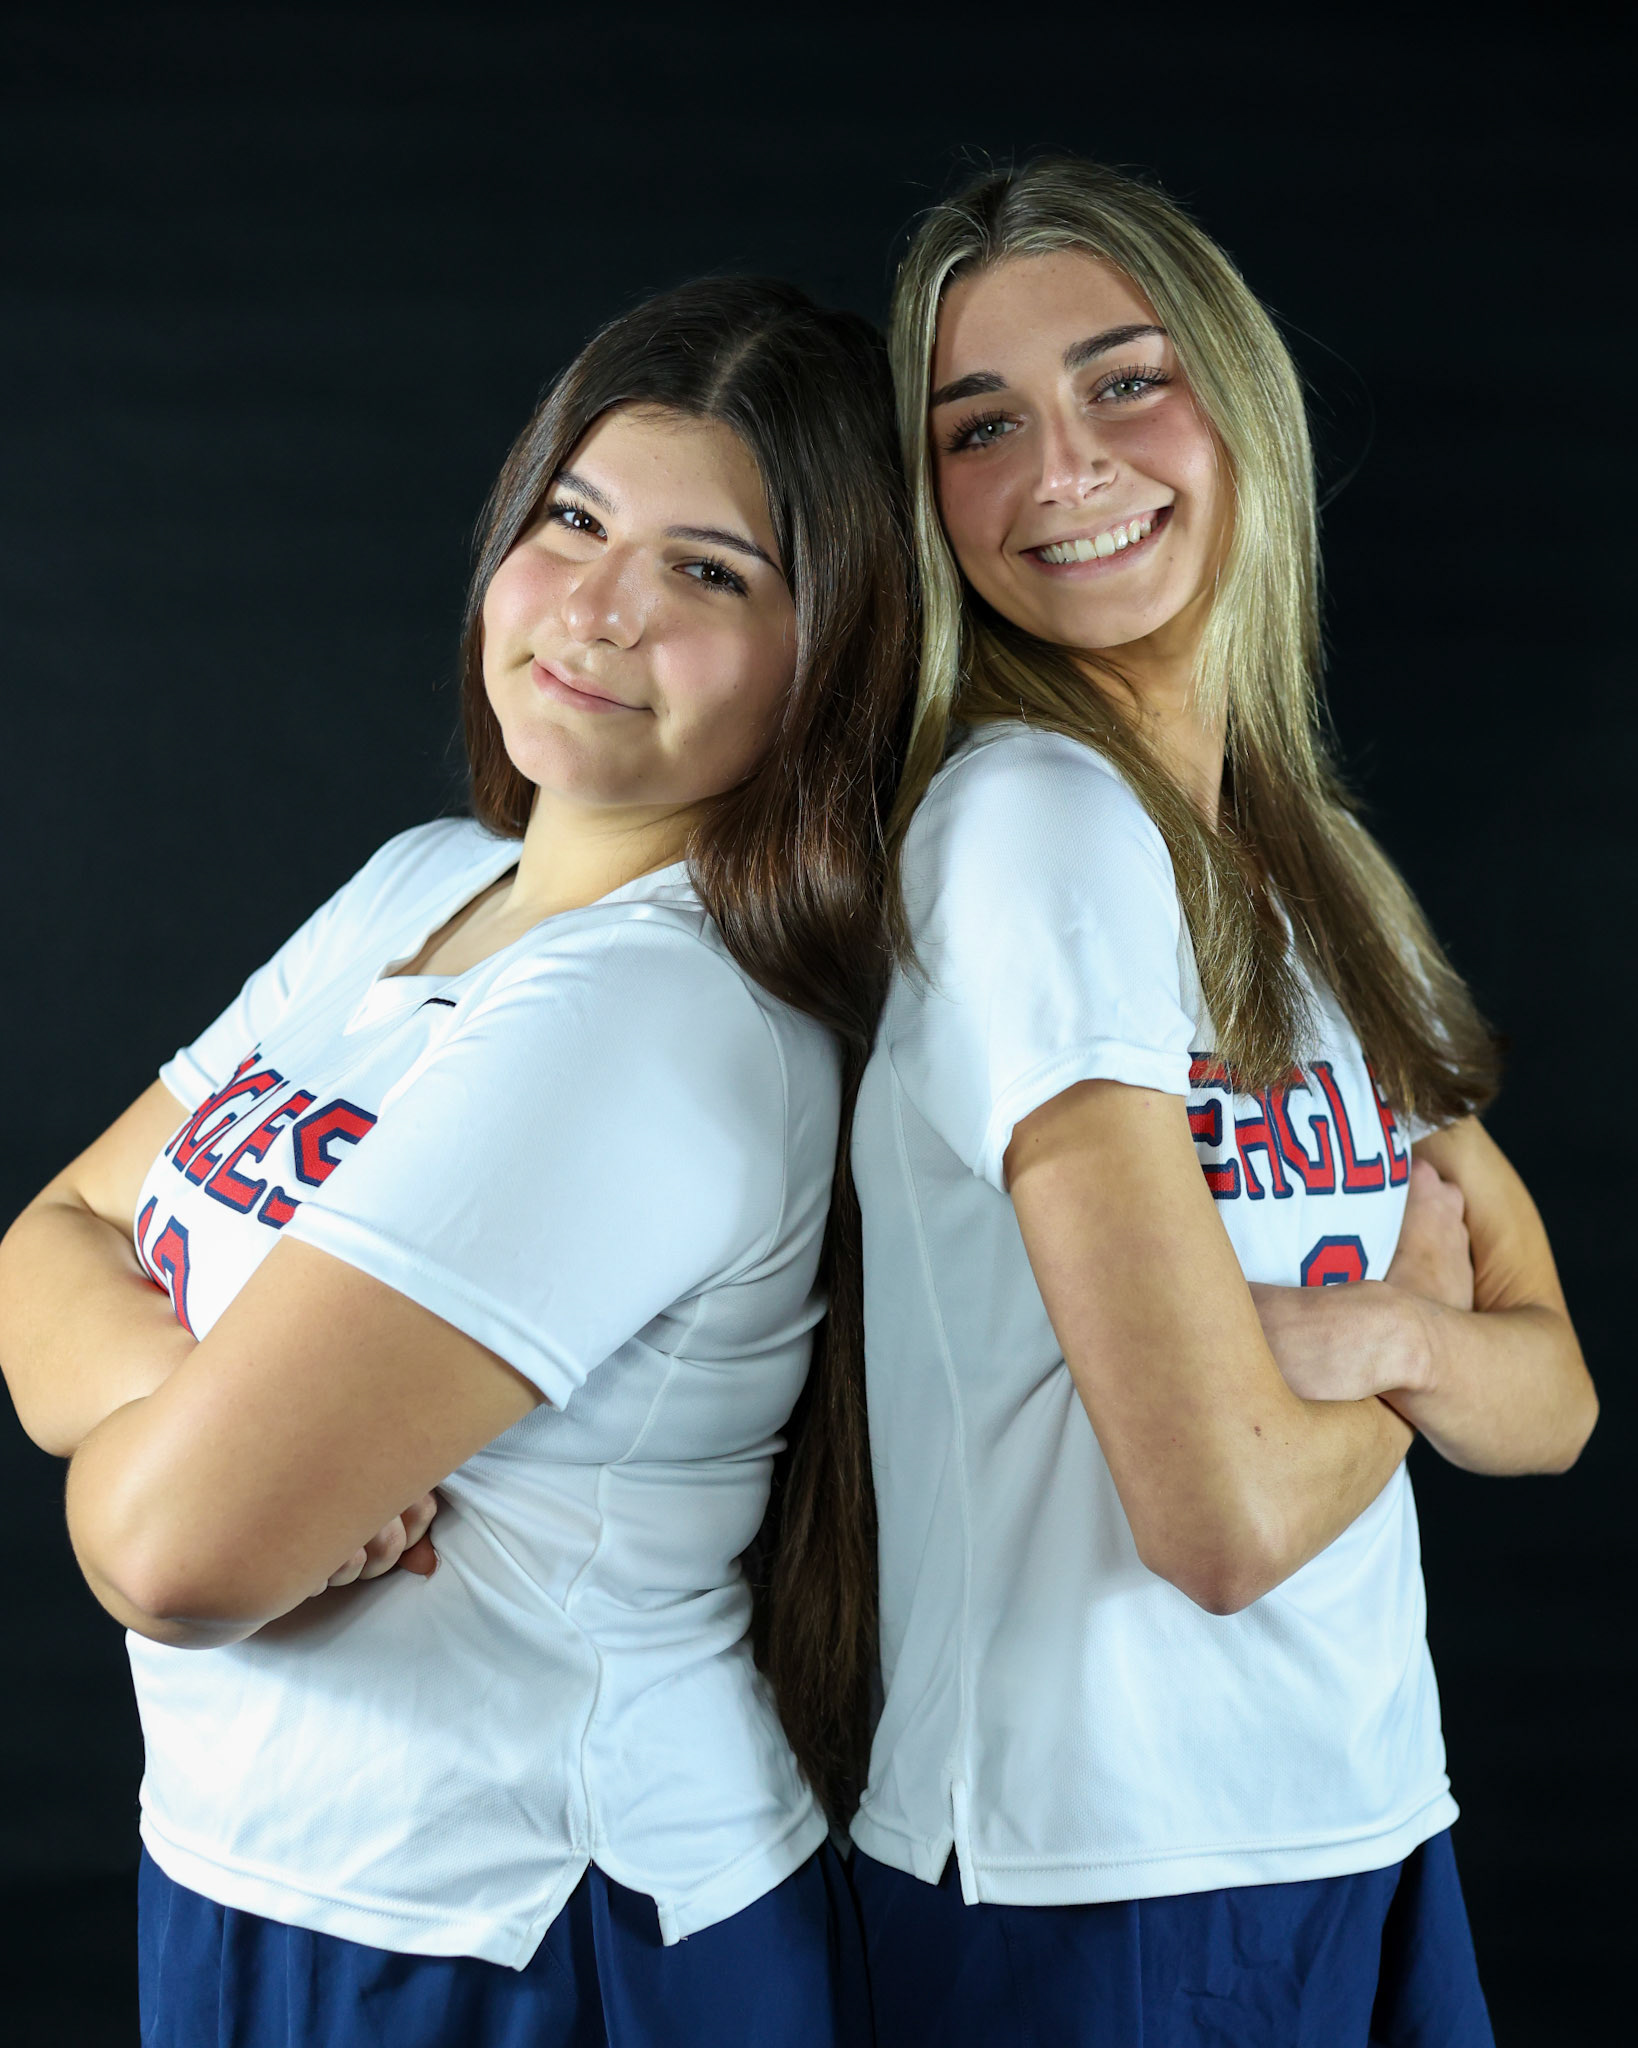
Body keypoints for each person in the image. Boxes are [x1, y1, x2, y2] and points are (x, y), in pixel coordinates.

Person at [0, 275, 912, 2047]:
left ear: (837, 655)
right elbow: (53, 1229)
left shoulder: (658, 1012)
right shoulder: (420, 885)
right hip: (259, 1868)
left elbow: (179, 1556)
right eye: (573, 519)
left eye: (709, 572)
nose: (598, 609)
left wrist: (187, 1473)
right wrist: (197, 1417)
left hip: (525, 1930)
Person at [847, 157, 1598, 2047]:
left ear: (1237, 400)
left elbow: (1562, 1401)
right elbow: (1223, 1523)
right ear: (929, 503)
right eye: (977, 427)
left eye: (1122, 381)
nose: (1061, 470)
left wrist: (1356, 1335)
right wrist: (1424, 1347)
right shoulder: (1033, 825)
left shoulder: (1301, 866)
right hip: (1091, 1874)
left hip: (1346, 1814)